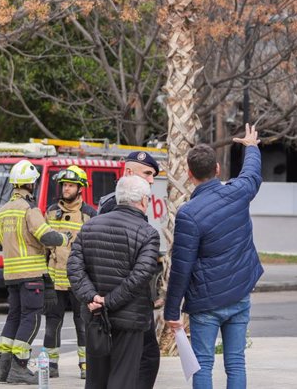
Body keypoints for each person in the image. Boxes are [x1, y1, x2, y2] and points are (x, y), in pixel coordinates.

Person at [164, 123, 263, 389]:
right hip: (239, 296)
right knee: (236, 362)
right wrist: (251, 147)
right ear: (217, 169)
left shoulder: (188, 214)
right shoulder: (238, 193)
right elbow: (252, 174)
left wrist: (172, 310)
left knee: (203, 364)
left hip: (205, 304)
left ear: (188, 174)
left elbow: (181, 267)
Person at [68, 175, 160, 389]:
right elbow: (141, 274)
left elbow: (74, 268)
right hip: (129, 319)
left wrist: (93, 298)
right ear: (144, 201)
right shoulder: (147, 233)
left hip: (95, 317)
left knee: (95, 380)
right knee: (123, 379)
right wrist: (108, 302)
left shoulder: (90, 226)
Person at [0, 159, 70, 385]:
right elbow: (46, 236)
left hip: (11, 276)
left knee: (14, 317)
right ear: (31, 185)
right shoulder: (29, 209)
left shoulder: (2, 211)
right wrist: (64, 238)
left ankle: (3, 368)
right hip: (30, 276)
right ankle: (19, 366)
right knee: (31, 318)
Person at [98, 150, 161, 389]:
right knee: (145, 358)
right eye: (147, 173)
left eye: (153, 175)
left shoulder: (110, 202)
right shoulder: (119, 205)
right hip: (126, 300)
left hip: (120, 298)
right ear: (128, 172)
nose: (152, 180)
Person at [44, 165, 97, 379]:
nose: (66, 189)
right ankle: (51, 365)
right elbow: (44, 247)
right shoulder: (50, 212)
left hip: (79, 280)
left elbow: (93, 247)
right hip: (55, 279)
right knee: (52, 323)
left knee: (82, 322)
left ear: (80, 188)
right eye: (64, 185)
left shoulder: (89, 214)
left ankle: (86, 365)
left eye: (70, 185)